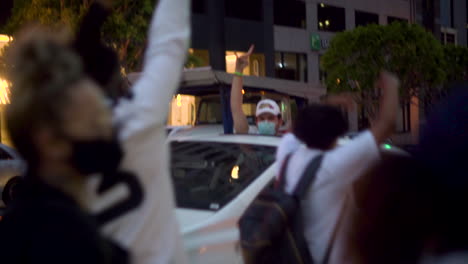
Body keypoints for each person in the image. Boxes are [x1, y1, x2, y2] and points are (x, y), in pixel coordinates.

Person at [0, 27, 128, 263]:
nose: (109, 131)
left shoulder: (23, 223)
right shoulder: (64, 240)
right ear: (50, 139)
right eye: (94, 121)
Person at [80, 0, 191, 263]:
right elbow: (168, 43)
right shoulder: (142, 113)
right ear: (116, 81)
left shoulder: (58, 144)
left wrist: (93, 18)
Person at [275, 71, 400, 263]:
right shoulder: (333, 165)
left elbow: (298, 125)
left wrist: (329, 102)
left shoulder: (287, 155)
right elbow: (387, 124)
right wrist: (391, 85)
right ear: (335, 137)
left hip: (292, 256)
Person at [230, 45, 283, 135]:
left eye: (270, 118)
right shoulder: (250, 134)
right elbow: (236, 108)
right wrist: (238, 70)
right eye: (262, 119)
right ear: (256, 121)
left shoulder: (287, 143)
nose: (266, 122)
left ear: (279, 121)